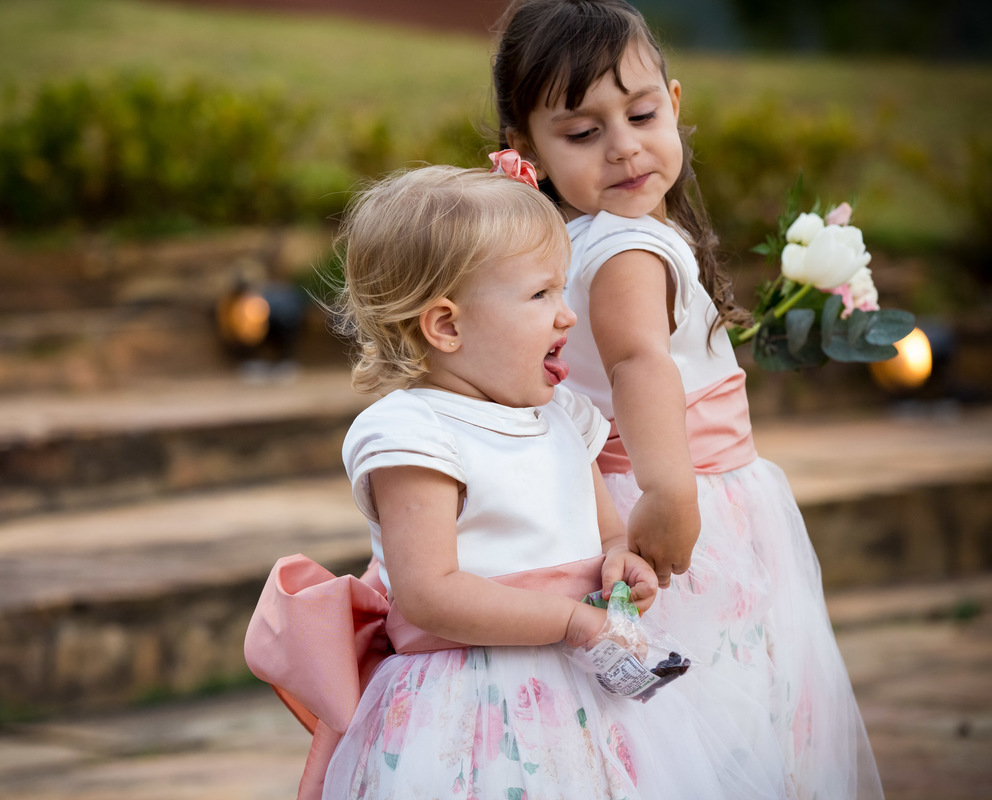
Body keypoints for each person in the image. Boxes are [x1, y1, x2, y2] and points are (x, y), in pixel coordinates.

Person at [247, 164, 795, 800]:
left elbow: (606, 530)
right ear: (446, 325)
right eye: (540, 297)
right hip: (471, 704)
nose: (567, 318)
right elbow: (428, 595)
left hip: (580, 697)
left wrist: (621, 563)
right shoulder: (416, 434)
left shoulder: (559, 415)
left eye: (563, 293)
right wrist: (569, 622)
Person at [490, 1, 884, 797]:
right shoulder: (631, 245)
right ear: (526, 147)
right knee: (716, 708)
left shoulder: (584, 239)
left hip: (629, 493)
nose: (625, 147)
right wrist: (671, 492)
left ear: (674, 102)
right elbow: (639, 363)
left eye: (639, 114)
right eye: (582, 132)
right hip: (672, 497)